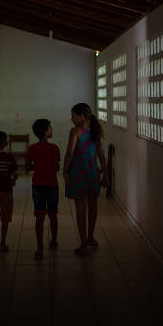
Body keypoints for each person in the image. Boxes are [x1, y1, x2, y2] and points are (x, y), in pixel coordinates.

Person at [63, 103, 108, 256]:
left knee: (81, 212)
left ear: (82, 116)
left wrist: (64, 170)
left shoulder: (76, 131)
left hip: (78, 175)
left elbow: (69, 153)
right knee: (93, 208)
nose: (71, 119)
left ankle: (83, 245)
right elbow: (101, 156)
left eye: (73, 116)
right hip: (92, 174)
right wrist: (106, 175)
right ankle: (90, 238)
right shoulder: (95, 131)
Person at [25, 119, 61, 260]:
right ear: (46, 132)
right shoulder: (54, 148)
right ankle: (53, 240)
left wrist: (37, 167)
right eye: (50, 128)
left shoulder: (32, 148)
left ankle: (39, 247)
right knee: (53, 215)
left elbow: (28, 167)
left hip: (37, 186)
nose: (52, 129)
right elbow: (56, 167)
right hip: (52, 185)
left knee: (39, 217)